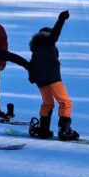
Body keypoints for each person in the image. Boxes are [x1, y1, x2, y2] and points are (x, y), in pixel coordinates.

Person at [26, 9, 80, 141]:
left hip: (41, 82)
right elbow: (56, 33)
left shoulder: (36, 49)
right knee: (65, 102)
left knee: (48, 103)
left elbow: (32, 65)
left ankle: (43, 129)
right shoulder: (49, 43)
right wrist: (61, 19)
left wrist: (33, 78)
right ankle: (64, 131)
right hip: (53, 79)